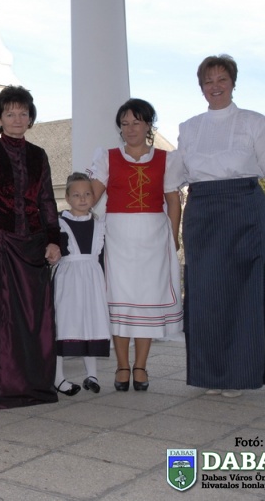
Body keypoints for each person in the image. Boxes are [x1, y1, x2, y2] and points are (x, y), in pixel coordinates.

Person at [178, 54, 265, 398]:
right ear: (201, 87)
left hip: (245, 213)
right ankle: (210, 375)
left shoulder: (255, 123)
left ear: (232, 83)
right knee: (205, 296)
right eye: (208, 81)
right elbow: (176, 174)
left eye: (222, 79)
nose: (215, 86)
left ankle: (239, 375)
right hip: (202, 214)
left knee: (244, 295)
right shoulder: (188, 128)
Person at [0, 85, 61, 410]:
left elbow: (47, 201)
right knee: (2, 319)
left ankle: (35, 387)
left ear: (30, 118)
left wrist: (53, 239)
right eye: (10, 113)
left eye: (23, 113)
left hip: (34, 247)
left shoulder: (39, 155)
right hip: (0, 245)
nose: (17, 119)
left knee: (36, 318)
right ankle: (2, 390)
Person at [88, 98, 183, 392]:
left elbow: (173, 202)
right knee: (120, 302)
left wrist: (174, 237)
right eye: (125, 123)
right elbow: (90, 197)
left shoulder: (167, 159)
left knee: (146, 303)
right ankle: (121, 365)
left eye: (136, 122)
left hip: (154, 238)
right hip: (117, 238)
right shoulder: (107, 157)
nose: (130, 129)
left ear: (148, 125)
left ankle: (140, 366)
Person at [53, 173, 110, 395]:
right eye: (76, 195)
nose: (83, 199)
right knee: (64, 323)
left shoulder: (99, 225)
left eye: (87, 194)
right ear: (67, 198)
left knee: (91, 322)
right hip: (69, 281)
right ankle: (57, 376)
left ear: (94, 197)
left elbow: (102, 258)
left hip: (93, 281)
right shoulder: (59, 223)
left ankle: (92, 374)